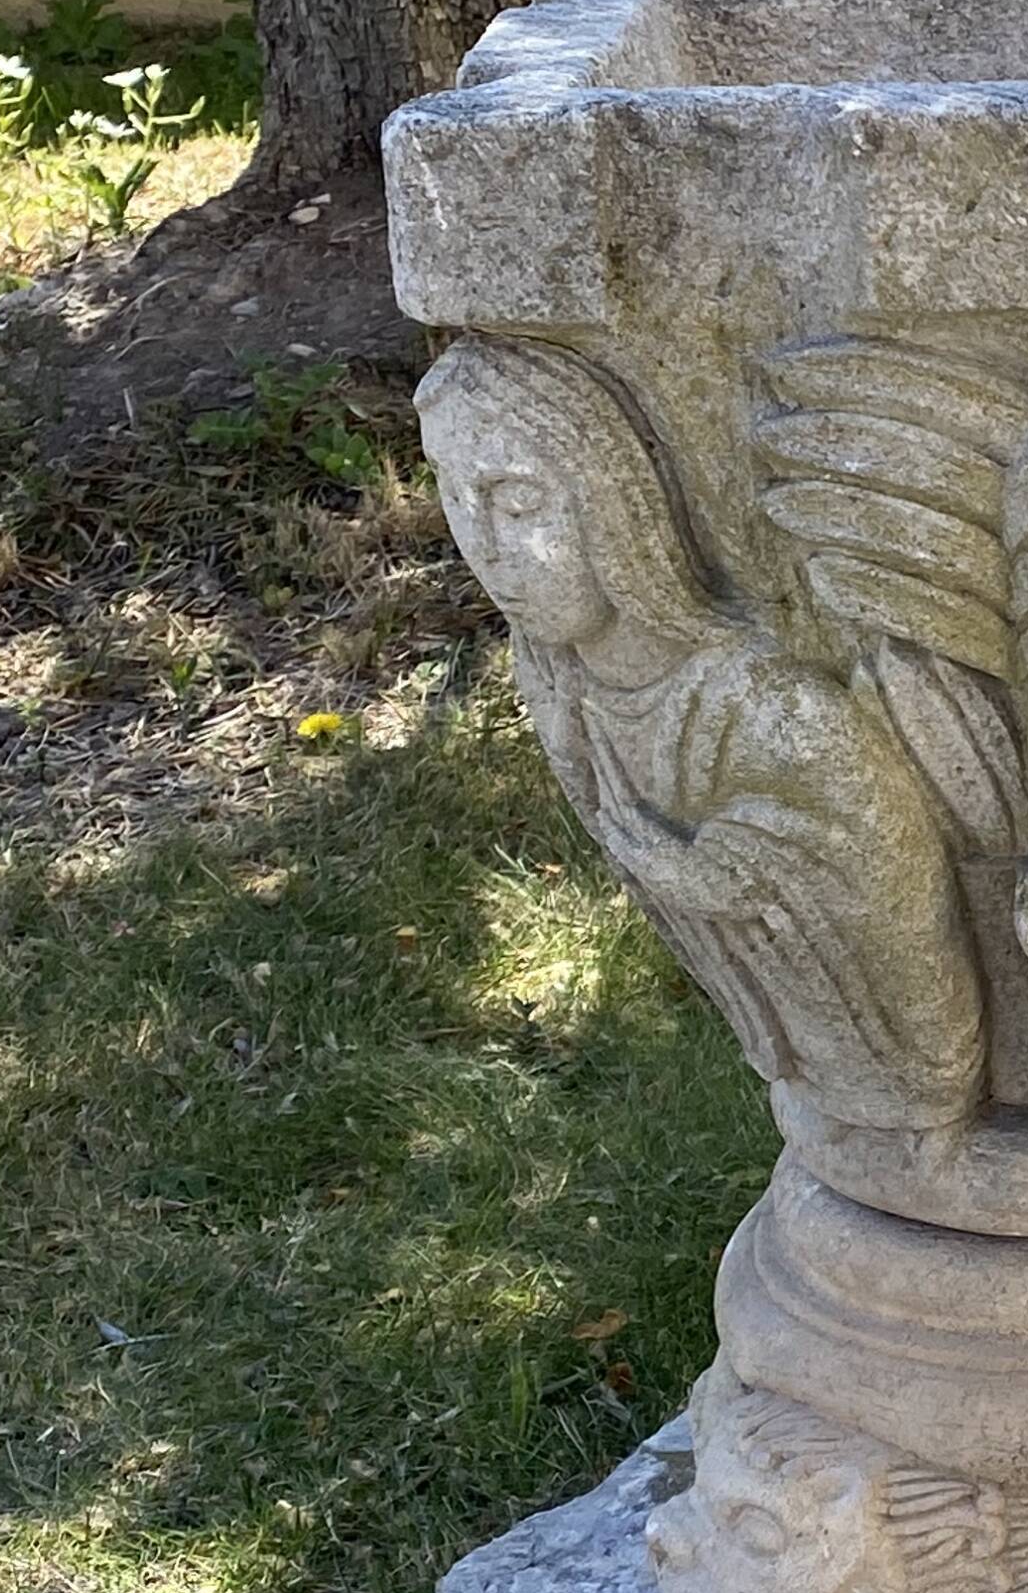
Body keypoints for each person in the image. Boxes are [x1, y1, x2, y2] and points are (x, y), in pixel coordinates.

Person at [418, 339, 983, 1136]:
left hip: (908, 1082)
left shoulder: (760, 706)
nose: (489, 549)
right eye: (451, 497)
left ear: (610, 500)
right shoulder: (561, 682)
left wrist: (713, 872)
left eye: (518, 505)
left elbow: (887, 882)